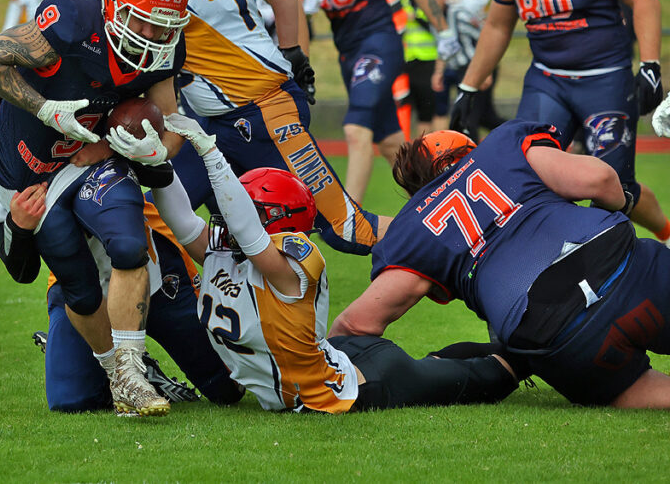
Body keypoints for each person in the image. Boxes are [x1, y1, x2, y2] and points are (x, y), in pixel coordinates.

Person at [148, 114, 521, 413]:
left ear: (274, 221)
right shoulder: (226, 253)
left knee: (483, 376)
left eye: (244, 208)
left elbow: (248, 230)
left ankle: (530, 353)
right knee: (437, 366)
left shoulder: (293, 263)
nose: (225, 217)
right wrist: (156, 164)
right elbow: (183, 220)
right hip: (333, 357)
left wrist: (212, 156)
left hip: (352, 386)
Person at [87, 0, 384, 257]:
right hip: (215, 122)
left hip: (262, 114)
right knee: (156, 218)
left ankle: (446, 236)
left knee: (349, 230)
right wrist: (292, 51)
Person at [0, 0, 192, 417]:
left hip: (92, 159)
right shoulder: (71, 19)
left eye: (163, 24)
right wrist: (45, 109)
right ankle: (116, 374)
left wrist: (154, 150)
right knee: (79, 288)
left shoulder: (166, 47)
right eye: (141, 20)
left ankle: (131, 370)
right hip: (37, 178)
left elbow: (170, 125)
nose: (152, 35)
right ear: (111, 5)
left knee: (129, 245)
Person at [0, 78, 244, 411]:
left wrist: (116, 147)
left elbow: (161, 174)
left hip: (150, 271)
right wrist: (19, 227)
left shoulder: (77, 128)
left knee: (226, 389)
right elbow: (22, 271)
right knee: (73, 400)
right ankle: (130, 370)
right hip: (80, 289)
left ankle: (134, 359)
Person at [332, 123, 670, 409]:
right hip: (622, 262)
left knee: (634, 386)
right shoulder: (502, 145)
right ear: (469, 150)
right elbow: (599, 180)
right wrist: (620, 204)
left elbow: (357, 324)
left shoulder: (413, 229)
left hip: (556, 335)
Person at [450, 0, 670, 244]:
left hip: (604, 78)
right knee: (525, 174)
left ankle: (663, 231)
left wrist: (650, 64)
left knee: (613, 189)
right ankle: (547, 259)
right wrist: (470, 86)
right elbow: (500, 24)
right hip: (547, 79)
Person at [288, 0, 448, 203]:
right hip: (347, 52)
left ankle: (351, 218)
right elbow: (296, 9)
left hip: (380, 42)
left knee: (356, 128)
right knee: (391, 142)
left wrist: (443, 32)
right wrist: (298, 60)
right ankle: (438, 202)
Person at [432, 0, 504, 134]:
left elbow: (481, 37)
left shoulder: (459, 11)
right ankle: (524, 134)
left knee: (468, 118)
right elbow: (446, 45)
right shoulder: (442, 14)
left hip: (477, 64)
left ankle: (475, 160)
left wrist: (484, 69)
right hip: (464, 66)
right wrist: (439, 71)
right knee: (486, 117)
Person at [398, 0, 447, 135]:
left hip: (428, 59)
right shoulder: (401, 0)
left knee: (428, 107)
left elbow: (436, 25)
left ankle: (430, 145)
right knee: (407, 106)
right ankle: (411, 146)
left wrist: (416, 16)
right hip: (406, 60)